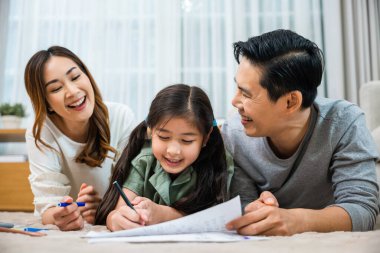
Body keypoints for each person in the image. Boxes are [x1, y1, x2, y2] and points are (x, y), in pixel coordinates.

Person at [222, 29, 379, 236]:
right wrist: (257, 209)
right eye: (237, 88)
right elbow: (244, 208)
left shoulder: (344, 124)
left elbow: (362, 211)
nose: (234, 101)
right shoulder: (234, 135)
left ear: (290, 101)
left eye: (246, 93)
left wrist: (298, 220)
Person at [24, 46, 136, 231]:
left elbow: (133, 187)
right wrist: (63, 214)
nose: (73, 91)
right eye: (56, 88)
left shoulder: (121, 117)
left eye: (75, 77)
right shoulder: (41, 133)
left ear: (87, 77)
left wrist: (103, 209)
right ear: (47, 103)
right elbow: (48, 206)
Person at [94, 84, 234, 231]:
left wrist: (162, 214)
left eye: (187, 141)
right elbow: (120, 210)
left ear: (205, 138)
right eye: (164, 137)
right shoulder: (143, 162)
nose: (173, 151)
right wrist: (114, 219)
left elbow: (220, 218)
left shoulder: (219, 162)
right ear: (150, 131)